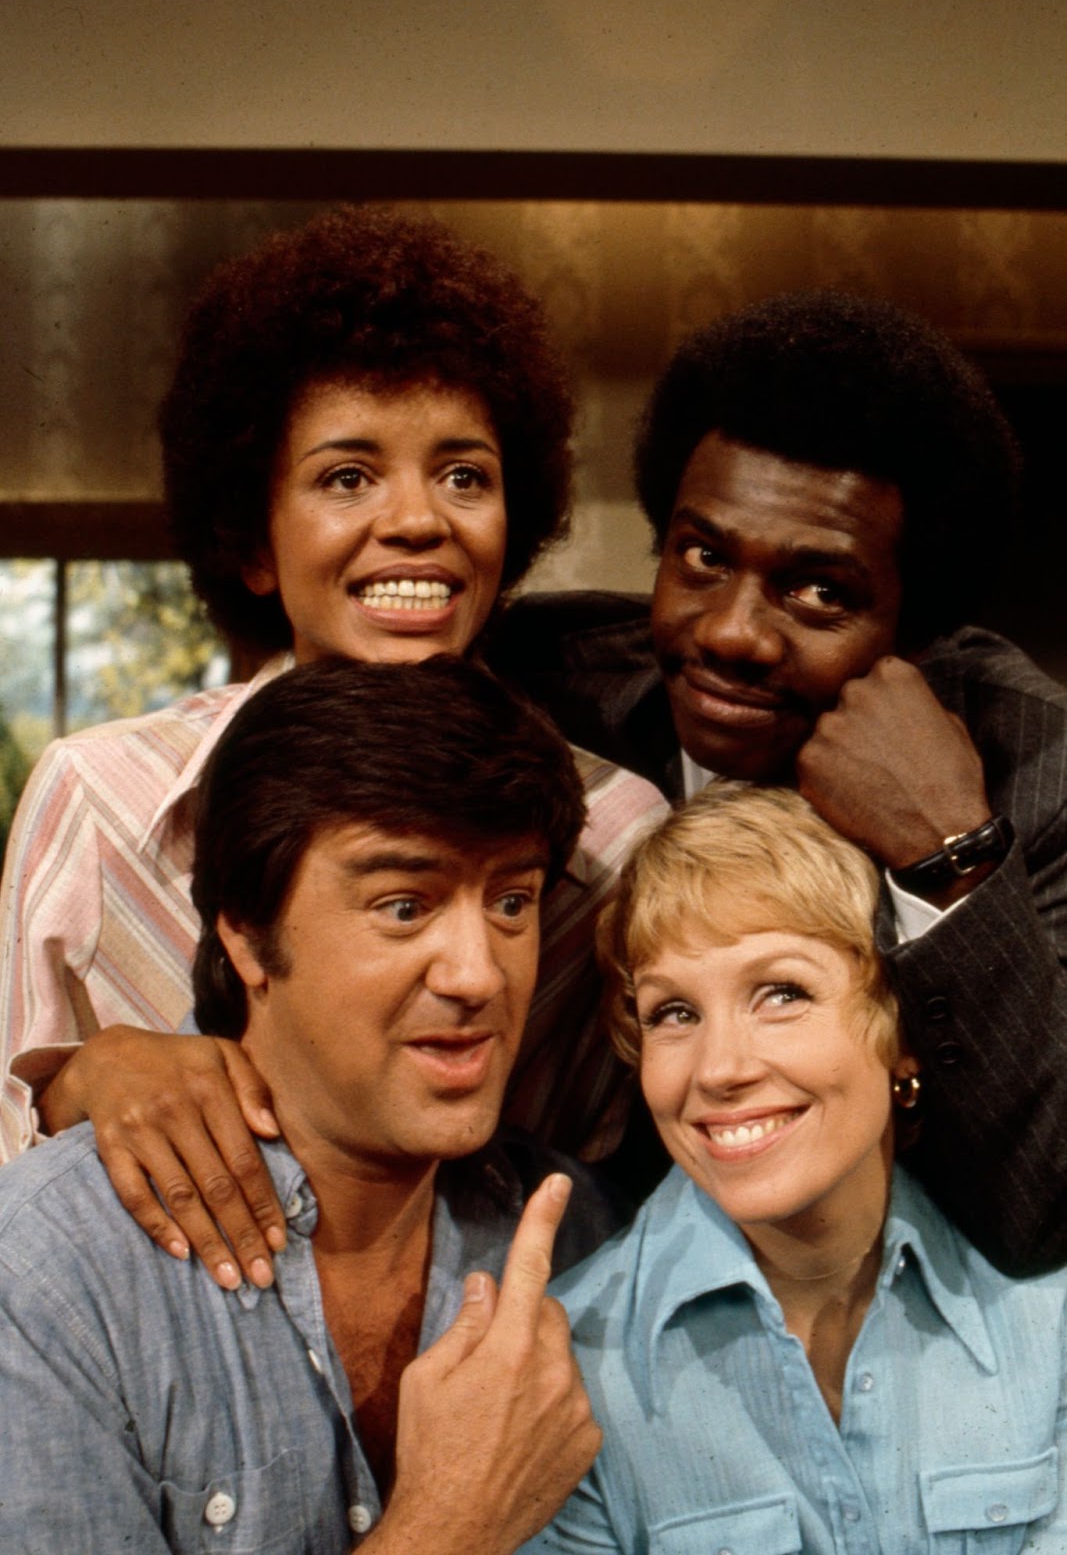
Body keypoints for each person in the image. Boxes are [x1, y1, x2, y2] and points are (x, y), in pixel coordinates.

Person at [0, 207, 666, 1288]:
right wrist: (85, 1079)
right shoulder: (99, 798)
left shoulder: (615, 838)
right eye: (346, 476)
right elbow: (13, 1156)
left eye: (464, 475)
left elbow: (594, 1195)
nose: (417, 521)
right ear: (252, 542)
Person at [0, 655, 627, 1555]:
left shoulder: (589, 1238)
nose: (479, 974)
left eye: (511, 901)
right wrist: (448, 1527)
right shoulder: (49, 1281)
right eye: (404, 906)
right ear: (248, 935)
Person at [494, 289, 1067, 1270]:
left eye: (817, 591)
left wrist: (949, 855)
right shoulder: (539, 687)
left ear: (920, 633)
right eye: (703, 556)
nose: (730, 632)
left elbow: (1041, 1212)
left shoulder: (1037, 775)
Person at [522, 785, 1067, 1555]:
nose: (719, 1069)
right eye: (674, 1013)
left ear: (900, 1031)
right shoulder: (562, 1369)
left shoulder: (1047, 1311)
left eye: (781, 993)